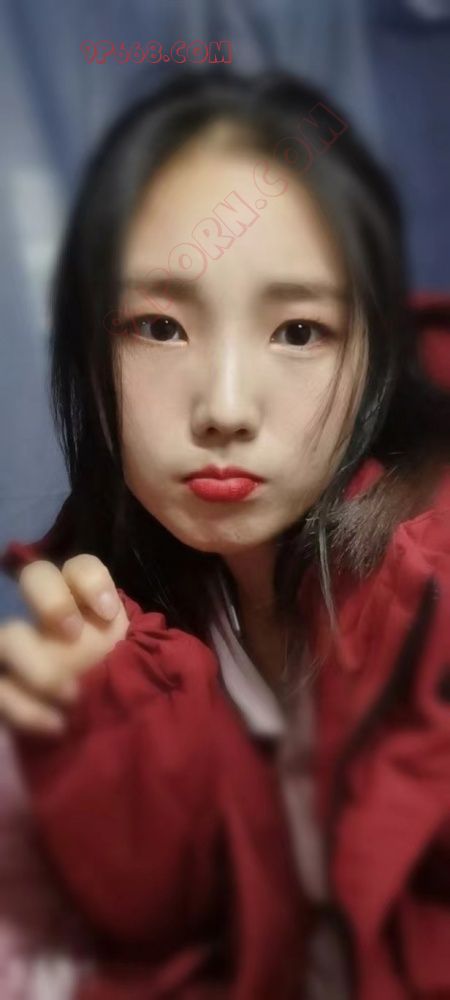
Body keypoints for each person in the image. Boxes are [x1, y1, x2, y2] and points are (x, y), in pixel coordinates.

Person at [1, 67, 450, 999]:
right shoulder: (144, 598)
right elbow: (164, 913)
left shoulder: (432, 587)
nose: (226, 408)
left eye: (299, 332)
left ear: (375, 351)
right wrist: (103, 725)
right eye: (160, 326)